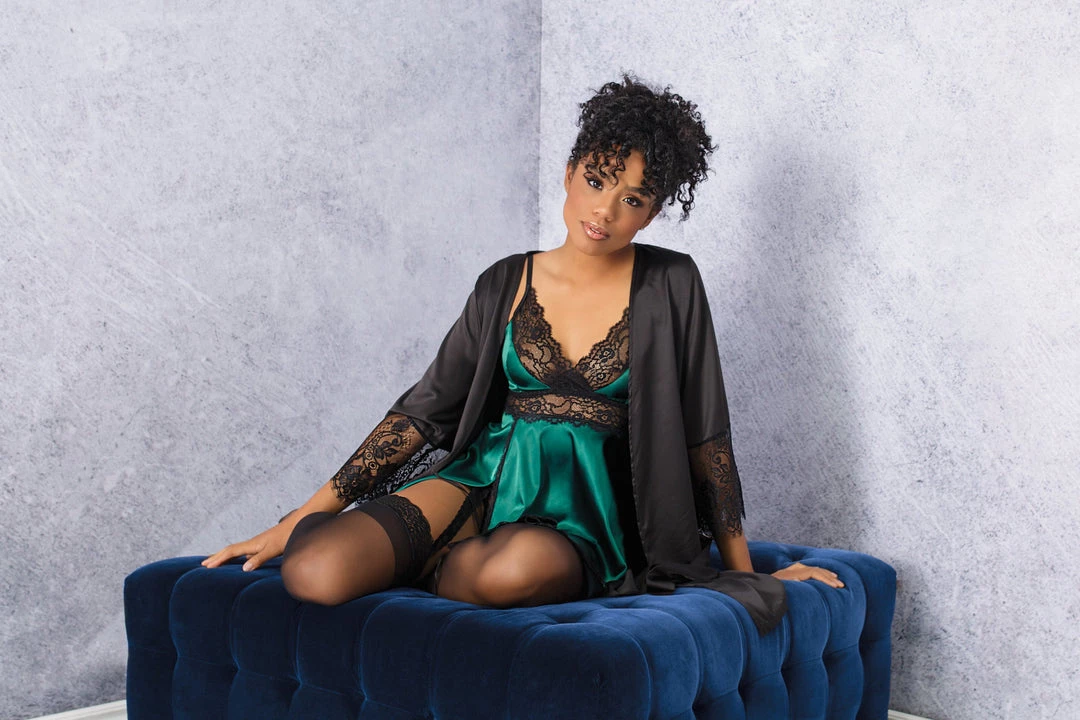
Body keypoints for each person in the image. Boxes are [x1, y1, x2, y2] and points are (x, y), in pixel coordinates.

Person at [203, 75, 842, 636]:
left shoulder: (672, 284)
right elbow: (422, 412)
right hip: (481, 482)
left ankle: (431, 562)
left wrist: (744, 570)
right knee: (315, 569)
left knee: (508, 571)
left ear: (650, 215)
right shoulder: (505, 281)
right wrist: (303, 517)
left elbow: (706, 436)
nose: (604, 210)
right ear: (569, 172)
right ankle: (424, 551)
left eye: (632, 199)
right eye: (596, 180)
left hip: (587, 518)